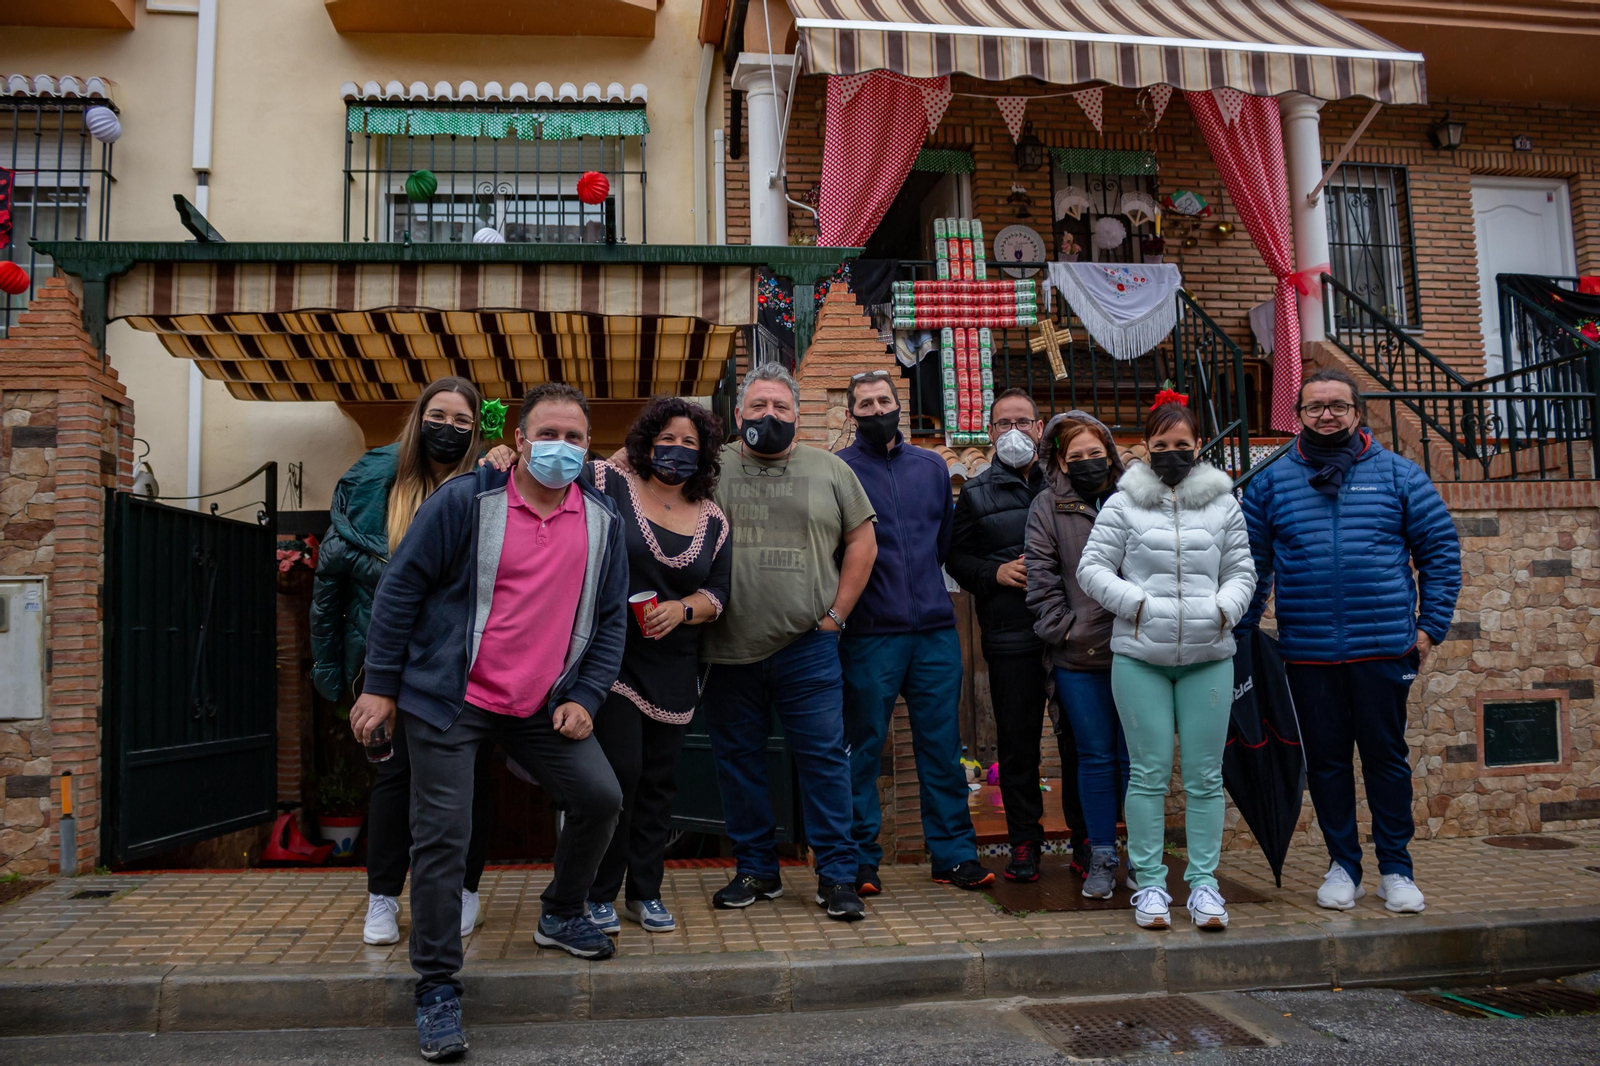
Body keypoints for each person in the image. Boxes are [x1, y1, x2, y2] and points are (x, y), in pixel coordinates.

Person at [350, 383, 627, 1062]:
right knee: (444, 837)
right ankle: (436, 988)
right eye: (548, 434)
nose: (561, 447)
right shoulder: (465, 502)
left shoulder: (602, 522)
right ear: (519, 440)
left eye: (574, 437)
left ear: (589, 447)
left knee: (600, 798)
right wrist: (380, 688)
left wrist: (587, 696)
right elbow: (400, 589)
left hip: (539, 702)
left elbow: (611, 620)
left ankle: (561, 912)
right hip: (450, 696)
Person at [1241, 367, 1460, 915]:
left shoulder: (1400, 475)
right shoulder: (1272, 482)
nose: (1326, 415)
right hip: (1308, 652)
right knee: (1327, 763)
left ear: (1357, 412)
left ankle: (1396, 870)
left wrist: (1429, 627)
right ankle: (1344, 866)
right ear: (1299, 414)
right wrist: (1241, 636)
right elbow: (1251, 567)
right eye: (1315, 407)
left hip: (1383, 648)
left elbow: (1440, 554)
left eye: (1337, 405)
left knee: (1386, 760)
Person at [309, 377, 514, 947]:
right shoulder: (377, 483)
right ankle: (382, 896)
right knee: (395, 777)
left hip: (465, 657)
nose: (448, 429)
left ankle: (465, 889)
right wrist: (332, 666)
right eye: (438, 416)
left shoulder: (486, 482)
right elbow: (330, 583)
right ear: (418, 417)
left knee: (472, 775)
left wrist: (504, 460)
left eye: (462, 421)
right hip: (390, 656)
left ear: (476, 429)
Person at [701, 362, 878, 921]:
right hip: (727, 647)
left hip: (808, 645)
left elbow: (863, 542)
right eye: (758, 406)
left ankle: (838, 876)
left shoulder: (830, 468)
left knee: (824, 760)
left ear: (798, 416)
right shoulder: (711, 466)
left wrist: (836, 616)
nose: (769, 415)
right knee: (738, 763)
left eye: (780, 406)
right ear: (738, 414)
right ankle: (756, 869)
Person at [1076, 393, 1256, 931]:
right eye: (1162, 444)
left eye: (1182, 443)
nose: (1172, 452)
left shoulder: (1224, 504)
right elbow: (1092, 568)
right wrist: (1136, 604)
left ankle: (1204, 886)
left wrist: (1223, 610)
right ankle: (1151, 884)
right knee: (1148, 774)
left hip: (1209, 657)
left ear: (1198, 446)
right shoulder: (1122, 504)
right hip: (1140, 658)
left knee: (1204, 776)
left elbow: (1242, 571)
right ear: (1146, 447)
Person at [836, 370, 992, 895]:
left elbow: (942, 542)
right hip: (869, 635)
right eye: (865, 403)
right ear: (851, 413)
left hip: (934, 633)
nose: (876, 410)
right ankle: (859, 861)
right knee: (863, 749)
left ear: (898, 404)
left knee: (943, 748)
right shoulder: (840, 471)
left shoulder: (931, 467)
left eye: (884, 400)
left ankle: (954, 856)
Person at [584, 397, 732, 935]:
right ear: (646, 443)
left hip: (674, 665)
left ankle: (644, 892)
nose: (677, 449)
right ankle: (597, 892)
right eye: (666, 438)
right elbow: (555, 474)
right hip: (612, 658)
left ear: (705, 452)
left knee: (659, 785)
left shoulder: (713, 519)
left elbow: (719, 593)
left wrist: (683, 609)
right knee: (619, 776)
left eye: (690, 441)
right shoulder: (609, 481)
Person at [948, 388, 1089, 883]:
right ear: (989, 432)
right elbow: (956, 557)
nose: (1014, 431)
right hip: (1011, 636)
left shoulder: (1067, 484)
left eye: (1022, 422)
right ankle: (1025, 842)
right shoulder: (975, 493)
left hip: (1071, 635)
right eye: (1003, 423)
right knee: (1017, 746)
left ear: (1040, 427)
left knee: (1079, 742)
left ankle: (1087, 840)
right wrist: (994, 573)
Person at [1025, 410, 1130, 899]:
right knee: (1095, 757)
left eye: (1096, 453)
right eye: (1077, 456)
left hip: (1139, 653)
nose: (1089, 461)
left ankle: (1142, 856)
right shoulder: (1047, 507)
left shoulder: (1135, 498)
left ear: (1109, 454)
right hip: (1079, 658)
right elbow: (1041, 577)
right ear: (1061, 462)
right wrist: (1065, 630)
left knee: (1137, 760)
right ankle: (1101, 855)